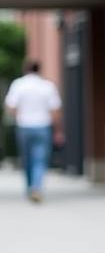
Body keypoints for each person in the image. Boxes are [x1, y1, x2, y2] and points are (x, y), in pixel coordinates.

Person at [3, 60, 62, 203]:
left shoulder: (18, 85)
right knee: (40, 160)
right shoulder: (47, 86)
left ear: (25, 70)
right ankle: (36, 187)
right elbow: (55, 110)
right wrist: (58, 129)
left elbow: (10, 107)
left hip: (24, 126)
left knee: (27, 159)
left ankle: (31, 187)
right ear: (39, 70)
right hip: (42, 126)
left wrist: (19, 117)